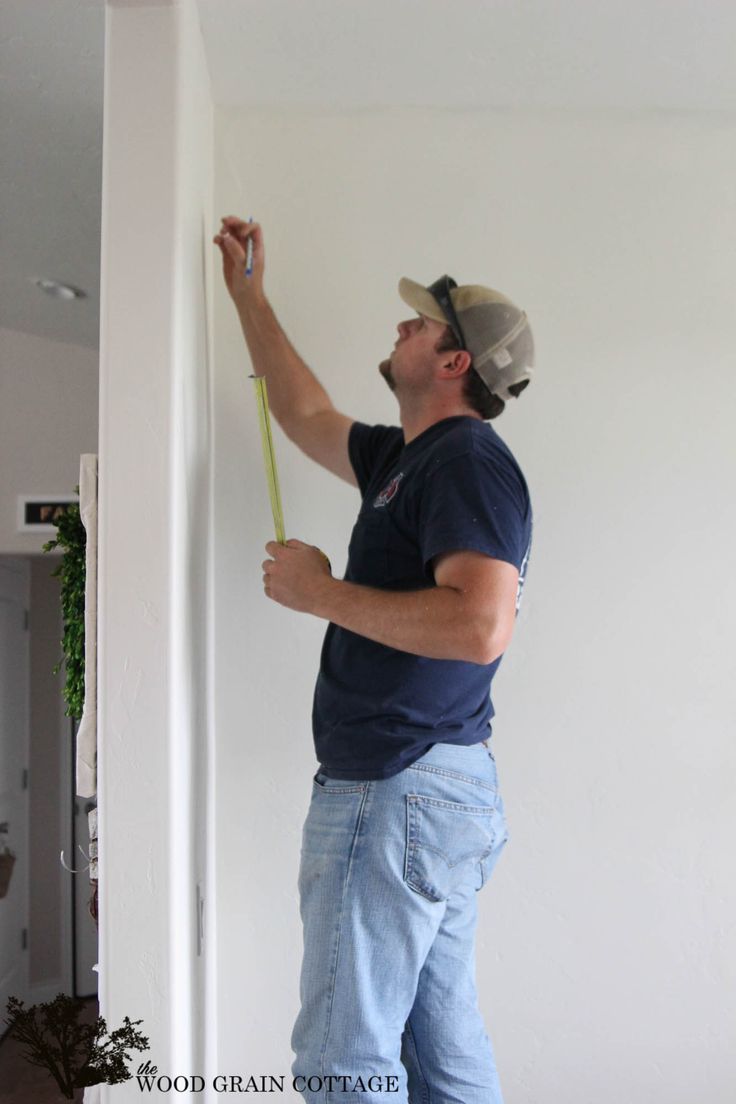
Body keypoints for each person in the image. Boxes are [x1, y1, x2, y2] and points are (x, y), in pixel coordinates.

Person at [213, 215, 535, 1104]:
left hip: (398, 788)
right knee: (439, 1052)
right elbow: (304, 412)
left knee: (342, 1059)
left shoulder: (466, 459)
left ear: (455, 361)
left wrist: (320, 593)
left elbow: (480, 627)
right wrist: (249, 294)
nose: (401, 326)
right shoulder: (406, 456)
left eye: (420, 323)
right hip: (429, 788)